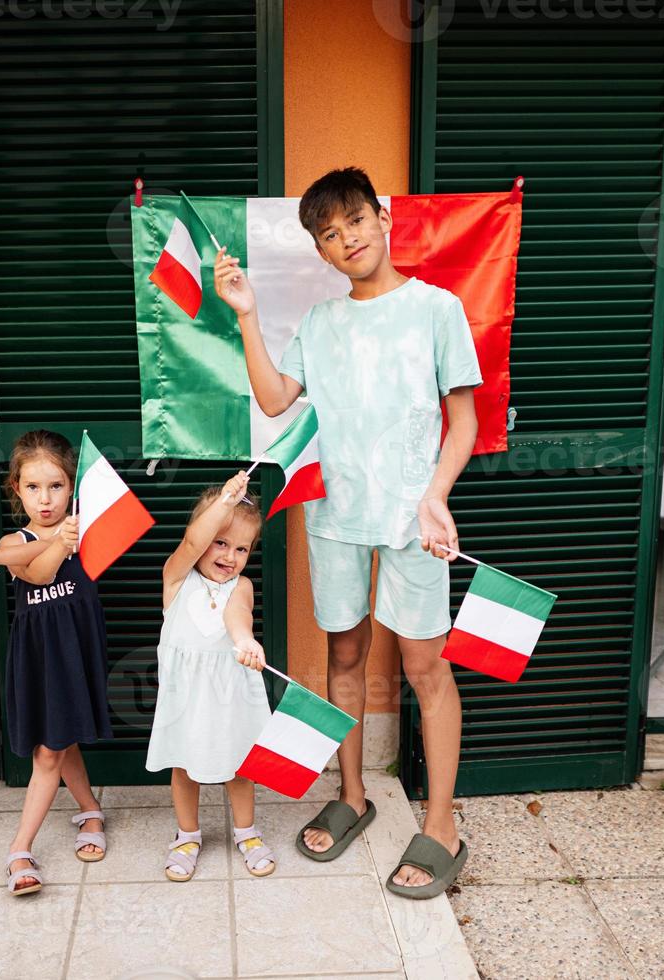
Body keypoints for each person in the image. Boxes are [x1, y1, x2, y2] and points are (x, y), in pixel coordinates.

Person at [215, 166, 481, 898]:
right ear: (321, 254)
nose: (348, 238)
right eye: (330, 235)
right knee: (345, 657)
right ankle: (354, 794)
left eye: (356, 221)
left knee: (427, 668)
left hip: (412, 517)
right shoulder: (322, 322)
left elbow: (465, 421)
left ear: (383, 219)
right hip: (333, 513)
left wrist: (437, 495)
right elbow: (274, 401)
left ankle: (441, 824)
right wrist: (244, 311)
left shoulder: (437, 308)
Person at [0, 430, 112, 895]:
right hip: (39, 653)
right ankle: (87, 811)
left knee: (54, 745)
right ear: (16, 489)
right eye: (32, 487)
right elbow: (35, 567)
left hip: (76, 647)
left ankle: (20, 846)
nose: (44, 499)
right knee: (53, 742)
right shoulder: (14, 539)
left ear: (72, 487)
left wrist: (69, 540)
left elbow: (55, 560)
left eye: (56, 487)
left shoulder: (87, 528)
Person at [144, 471, 276, 882]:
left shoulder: (242, 585)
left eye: (241, 548)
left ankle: (247, 832)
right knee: (183, 765)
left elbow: (237, 616)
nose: (230, 555)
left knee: (238, 765)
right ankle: (187, 836)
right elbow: (191, 544)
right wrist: (224, 503)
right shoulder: (177, 579)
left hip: (229, 694)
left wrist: (246, 642)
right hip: (187, 698)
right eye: (221, 542)